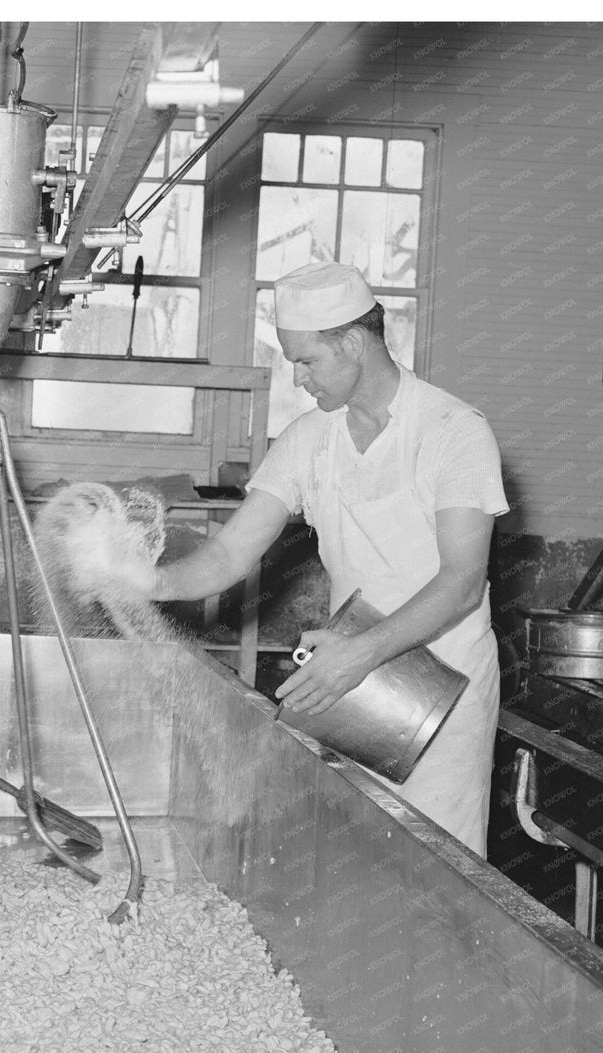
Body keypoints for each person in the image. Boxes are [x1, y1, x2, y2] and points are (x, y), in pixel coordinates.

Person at [83, 262, 508, 857]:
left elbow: (462, 583)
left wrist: (358, 656)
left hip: (442, 680)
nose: (299, 378)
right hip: (352, 674)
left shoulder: (452, 432)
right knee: (354, 853)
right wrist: (146, 580)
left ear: (354, 342)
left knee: (438, 864)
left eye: (307, 361)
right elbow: (232, 551)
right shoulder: (310, 438)